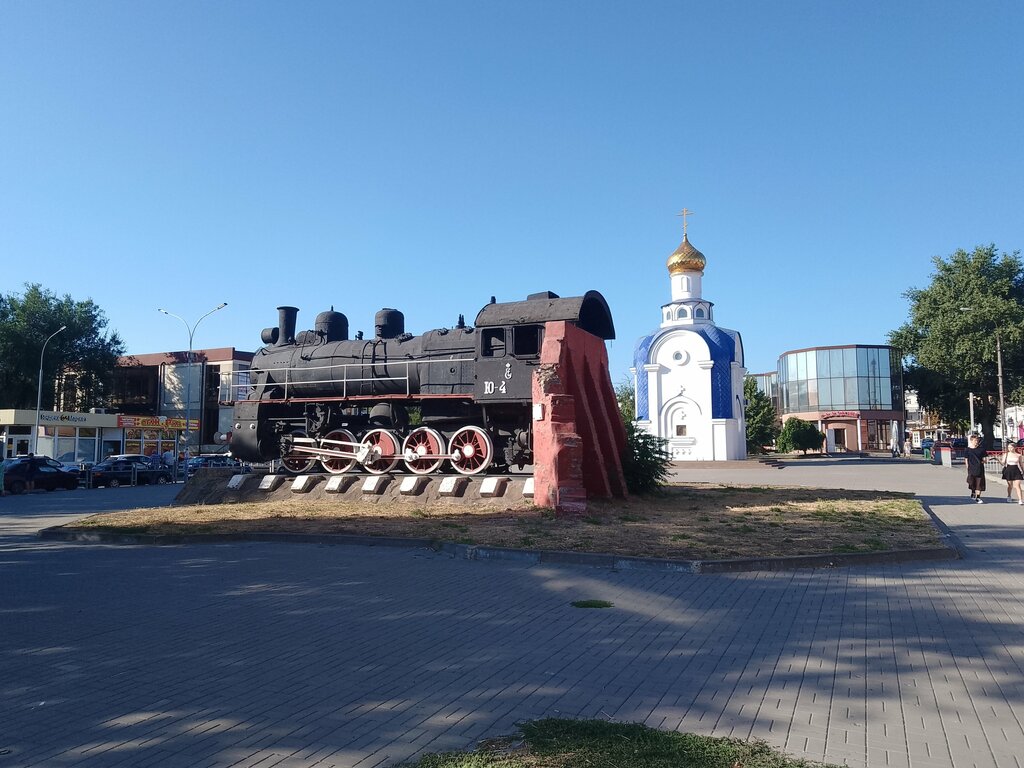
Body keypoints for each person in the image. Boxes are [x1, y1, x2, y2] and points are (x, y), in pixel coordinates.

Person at [965, 435, 988, 503]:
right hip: (971, 469)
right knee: (971, 482)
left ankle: (978, 497)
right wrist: (967, 467)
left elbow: (985, 458)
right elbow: (966, 459)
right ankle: (973, 491)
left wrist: (983, 461)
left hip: (979, 468)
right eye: (975, 440)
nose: (976, 442)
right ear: (971, 441)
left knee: (979, 484)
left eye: (977, 440)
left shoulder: (981, 449)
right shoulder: (967, 450)